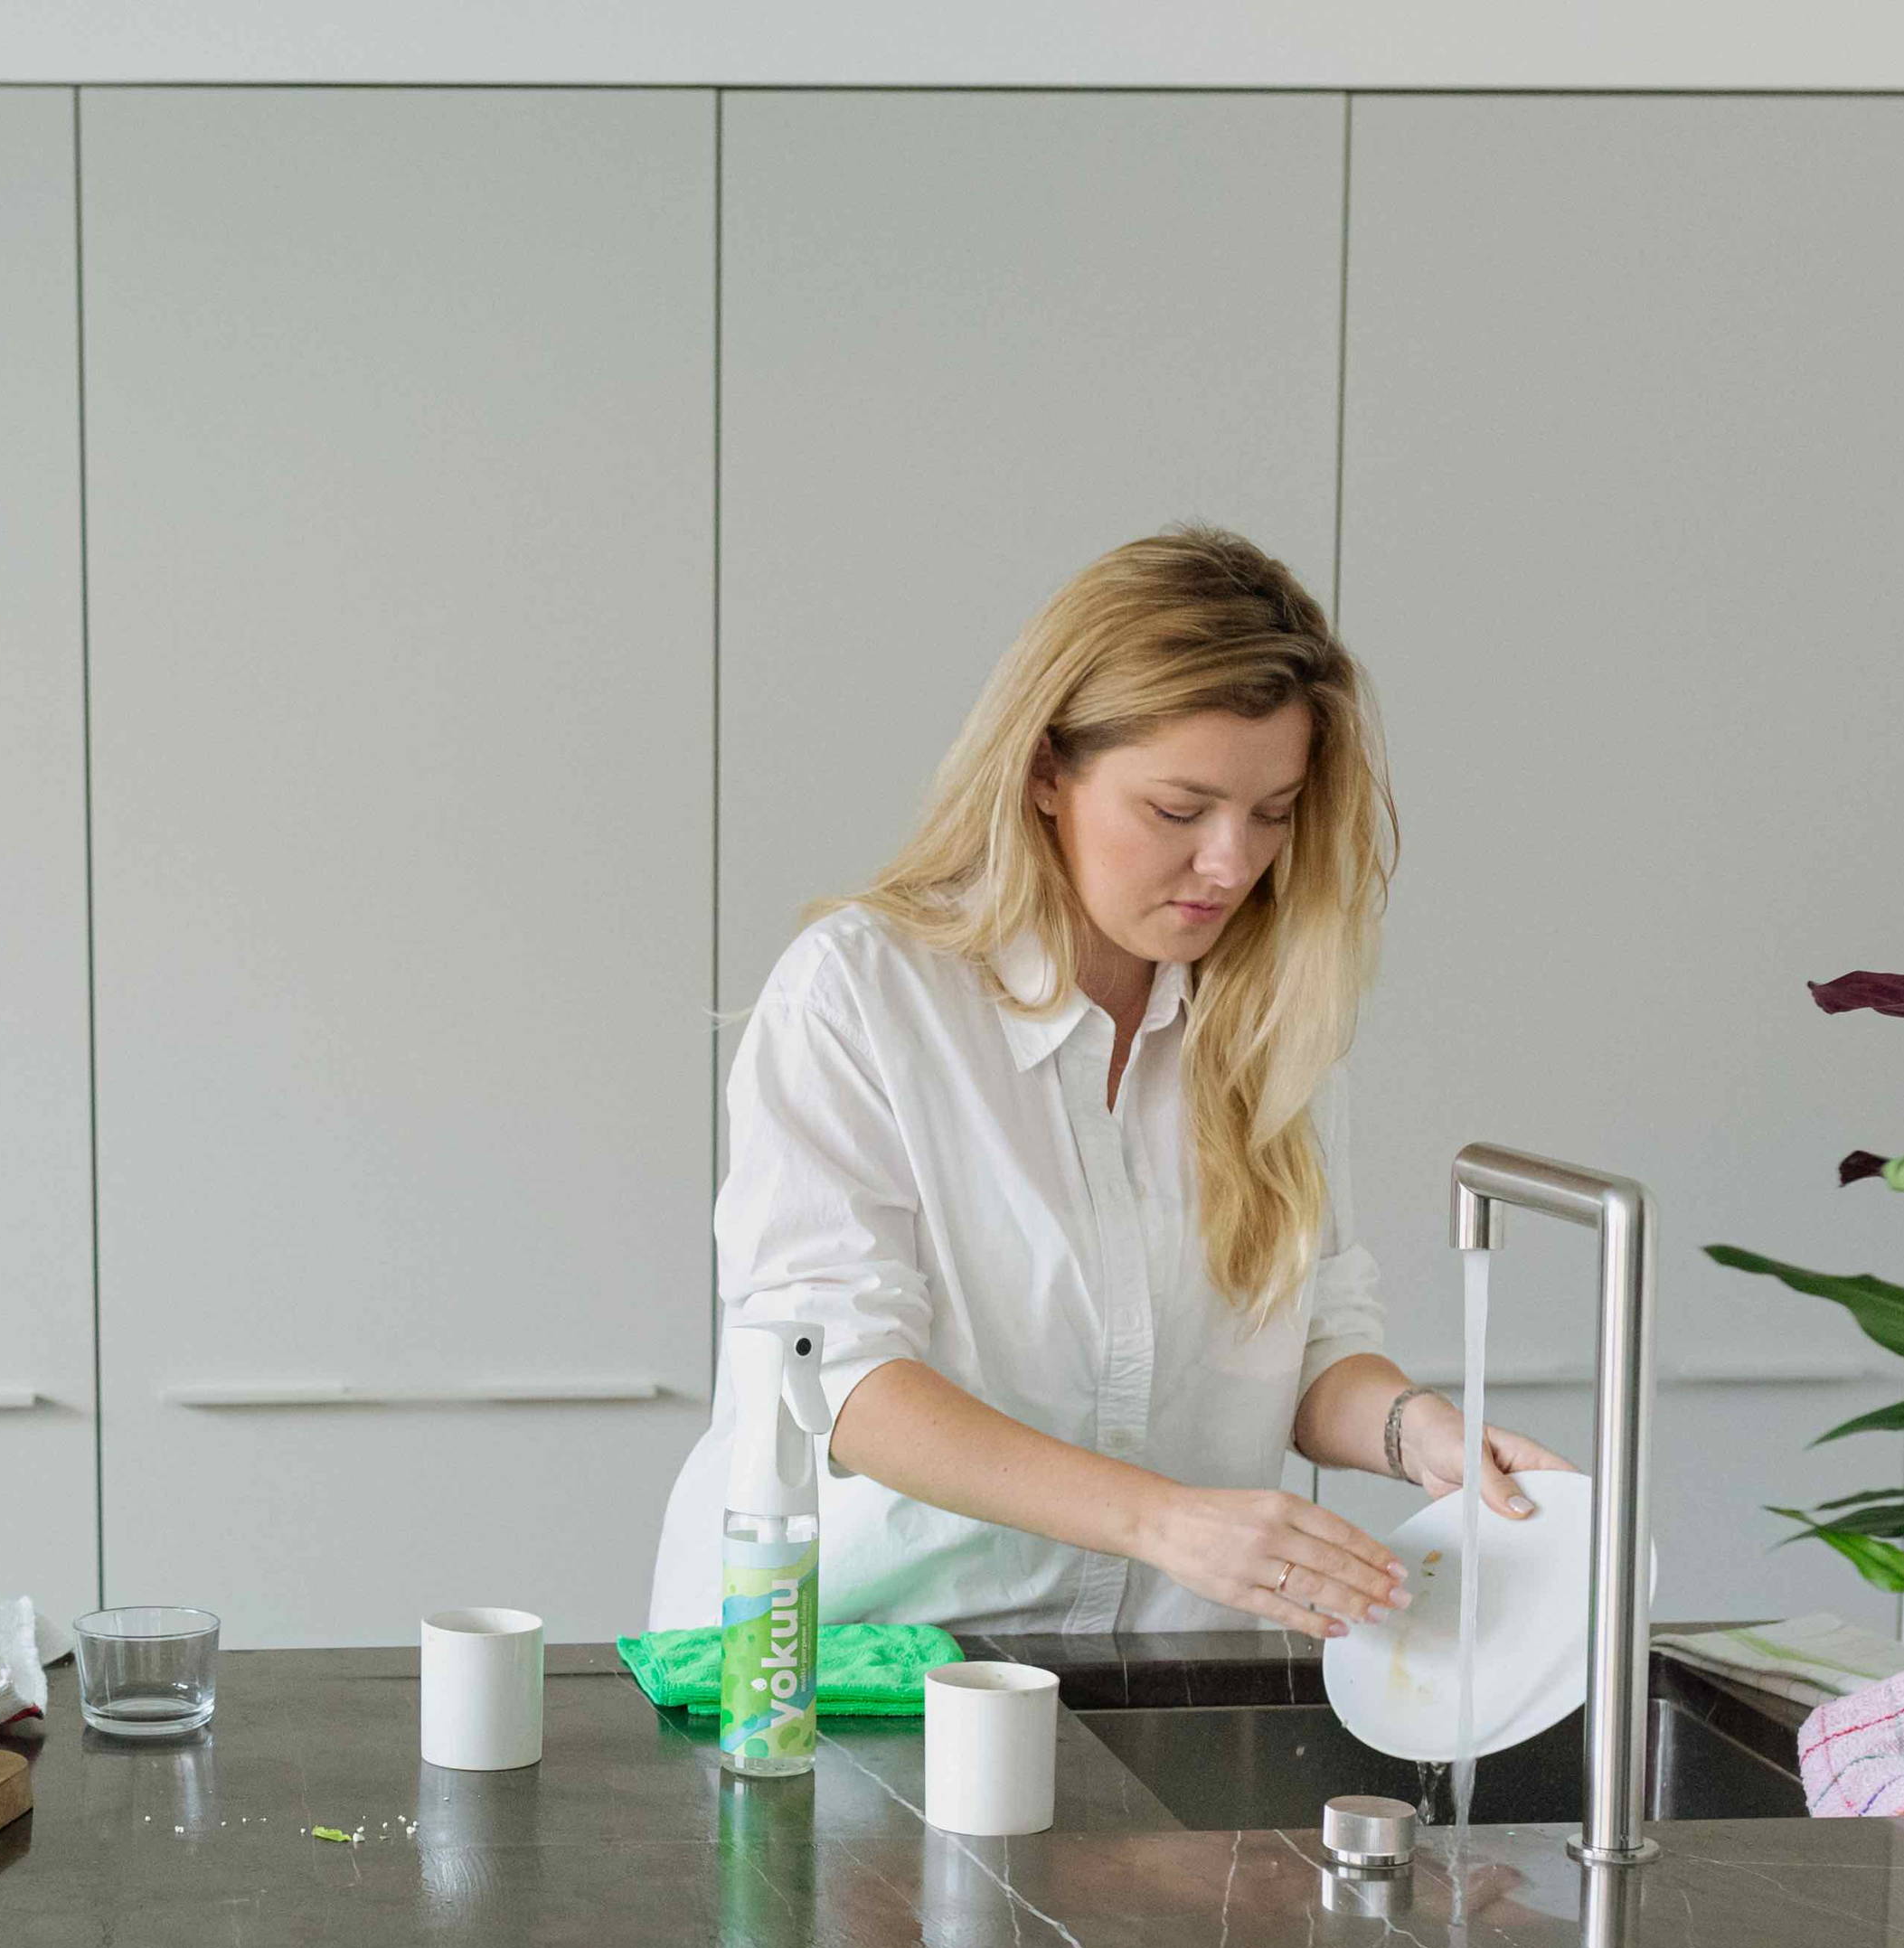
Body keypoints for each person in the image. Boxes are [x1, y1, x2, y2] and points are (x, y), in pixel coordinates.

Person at [647, 526, 1569, 1640]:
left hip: (1147, 1684)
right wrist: (1163, 1521)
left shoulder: (1252, 1023)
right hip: (851, 1678)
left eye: (1272, 814)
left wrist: (1414, 1428)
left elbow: (1316, 1340)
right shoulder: (864, 995)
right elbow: (840, 1381)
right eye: (1179, 811)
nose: (1231, 863)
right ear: (1045, 771)